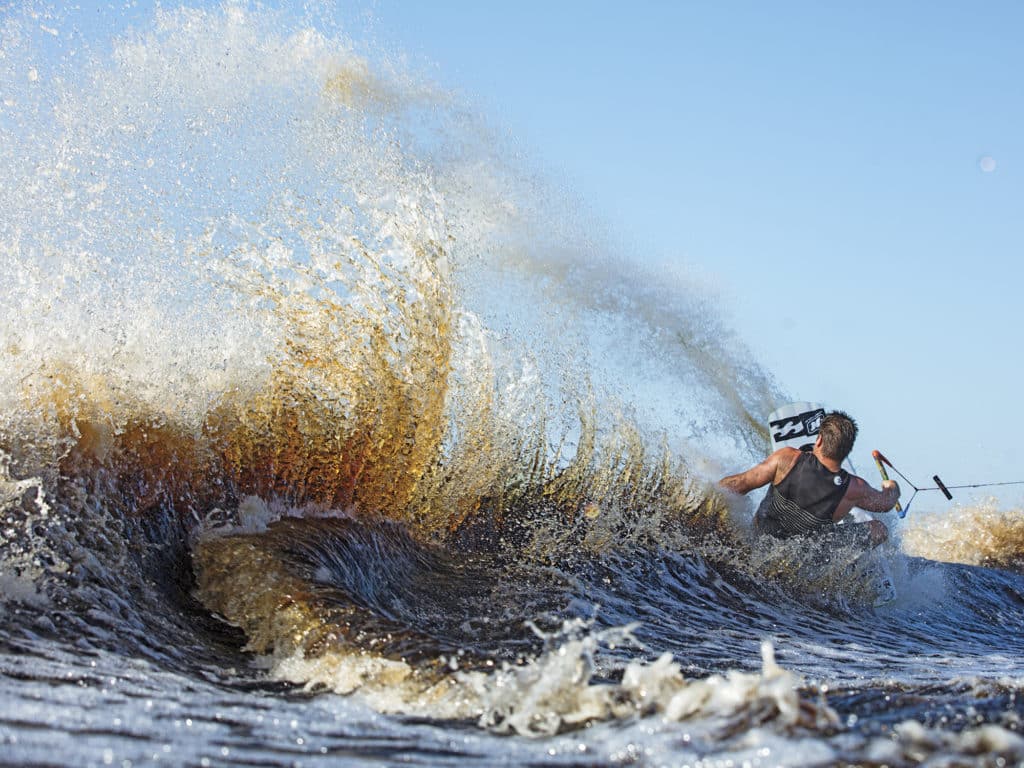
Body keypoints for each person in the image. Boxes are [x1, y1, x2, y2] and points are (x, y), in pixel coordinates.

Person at [719, 411, 899, 547]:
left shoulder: (787, 459)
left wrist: (706, 493)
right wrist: (891, 486)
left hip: (760, 538)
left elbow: (738, 485)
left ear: (819, 440)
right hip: (803, 554)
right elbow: (886, 503)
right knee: (879, 530)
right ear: (846, 450)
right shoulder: (853, 488)